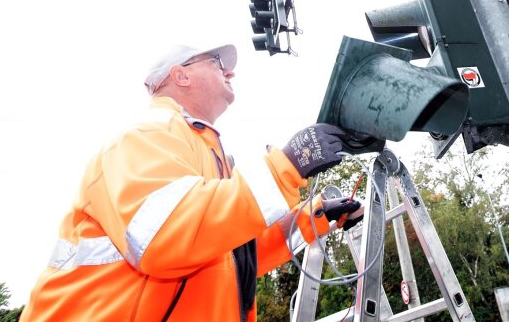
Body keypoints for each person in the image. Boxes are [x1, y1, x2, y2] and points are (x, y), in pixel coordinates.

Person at [21, 43, 362, 322]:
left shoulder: (203, 152)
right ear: (180, 75)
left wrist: (314, 218)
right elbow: (165, 236)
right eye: (217, 62)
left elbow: (233, 255)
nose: (230, 71)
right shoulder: (144, 136)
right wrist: (286, 166)